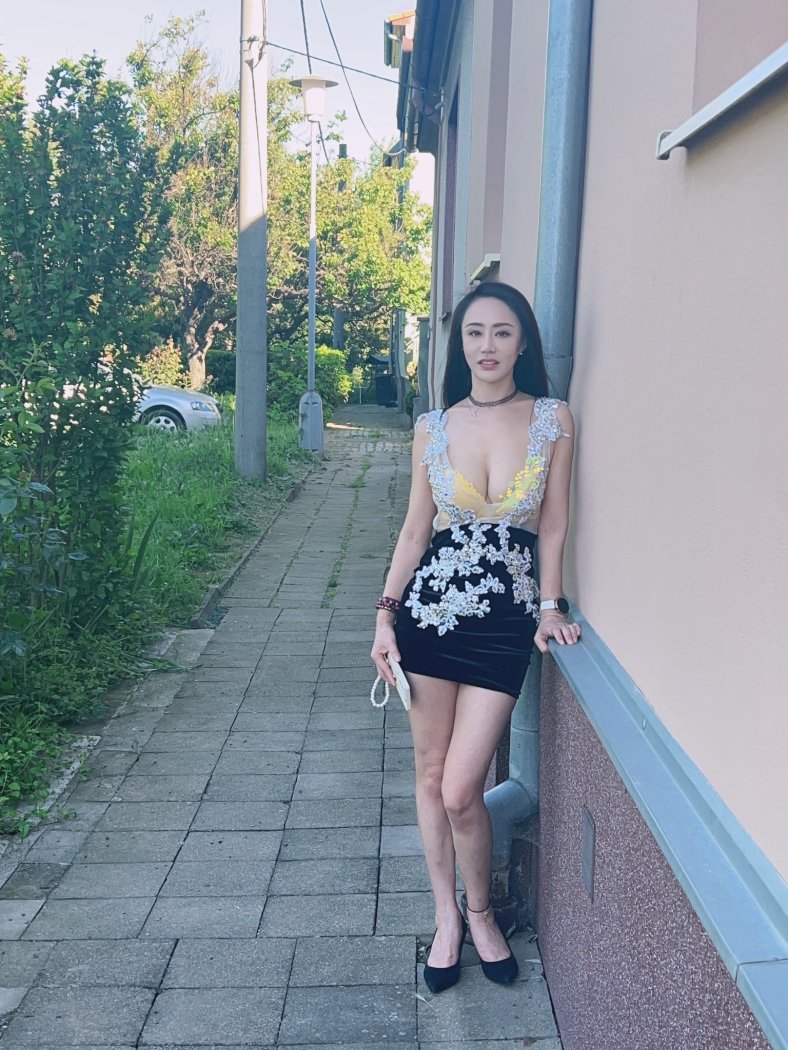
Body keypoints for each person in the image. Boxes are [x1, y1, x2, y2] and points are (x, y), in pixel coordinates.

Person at [371, 281, 581, 994]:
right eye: (474, 333)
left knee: (464, 788)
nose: (487, 346)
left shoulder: (552, 419)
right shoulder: (433, 426)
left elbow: (553, 525)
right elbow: (413, 531)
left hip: (503, 626)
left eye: (501, 332)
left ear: (523, 343)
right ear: (459, 345)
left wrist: (549, 606)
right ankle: (447, 921)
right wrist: (384, 616)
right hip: (428, 617)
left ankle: (483, 911)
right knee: (431, 777)